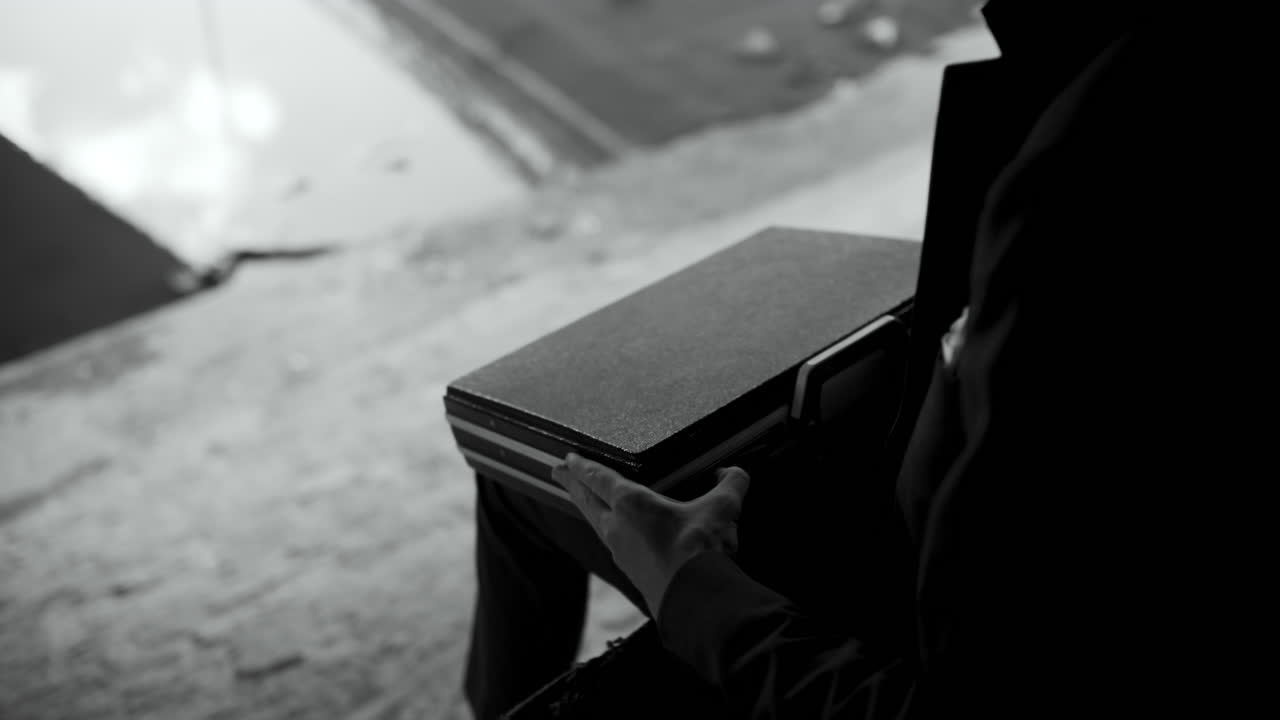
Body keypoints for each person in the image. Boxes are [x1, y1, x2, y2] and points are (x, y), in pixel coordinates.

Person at [464, 2, 1255, 717]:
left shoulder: (1091, 169)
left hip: (895, 603)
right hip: (921, 509)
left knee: (529, 480)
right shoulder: (1122, 74)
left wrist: (689, 585)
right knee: (521, 476)